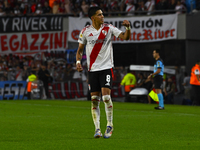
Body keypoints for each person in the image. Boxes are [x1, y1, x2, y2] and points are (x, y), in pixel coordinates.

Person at [76, 6, 131, 138]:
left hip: (106, 68)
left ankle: (110, 125)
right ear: (93, 17)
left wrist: (128, 28)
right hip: (92, 70)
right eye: (100, 15)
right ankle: (97, 129)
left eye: (103, 14)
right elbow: (79, 50)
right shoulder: (85, 32)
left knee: (106, 97)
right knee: (94, 100)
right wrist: (78, 62)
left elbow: (125, 37)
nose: (103, 16)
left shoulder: (109, 28)